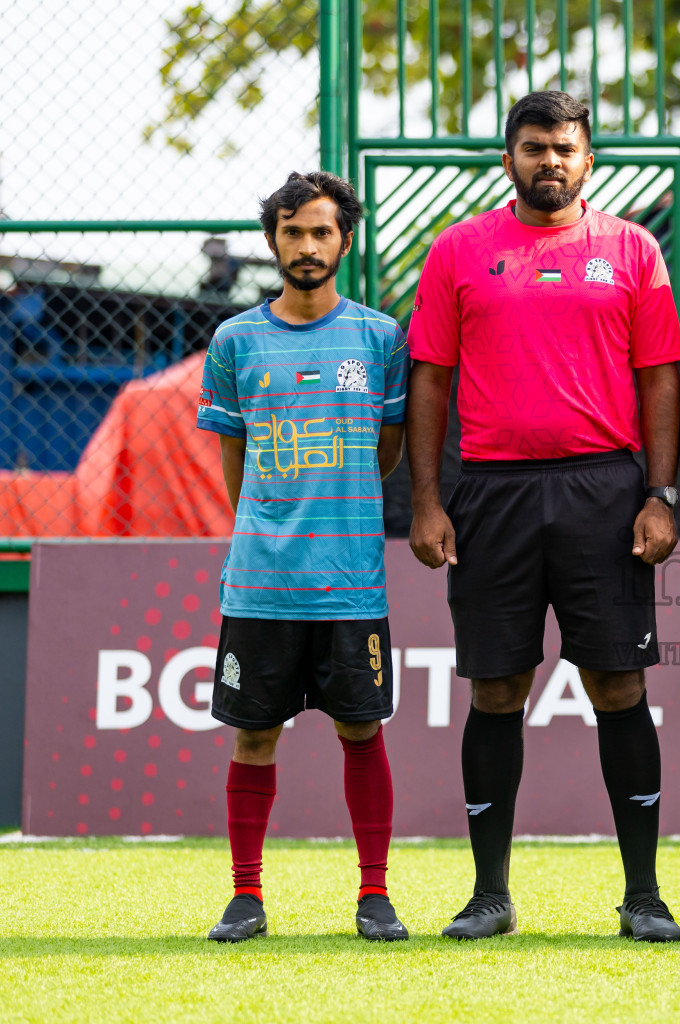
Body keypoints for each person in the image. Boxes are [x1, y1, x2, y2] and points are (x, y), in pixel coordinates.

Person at [406, 91, 680, 942]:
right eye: (534, 148)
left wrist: (661, 495)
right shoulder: (457, 251)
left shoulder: (632, 250)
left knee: (618, 685)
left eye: (565, 149)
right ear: (509, 160)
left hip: (606, 491)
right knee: (497, 689)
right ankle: (490, 892)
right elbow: (429, 379)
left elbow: (662, 380)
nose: (550, 162)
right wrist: (426, 498)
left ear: (588, 160)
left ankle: (643, 894)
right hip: (491, 492)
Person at [197, 171, 408, 943]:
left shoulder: (379, 338)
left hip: (350, 585)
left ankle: (375, 895)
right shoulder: (234, 341)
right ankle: (246, 896)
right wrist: (275, 521)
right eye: (293, 231)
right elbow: (235, 464)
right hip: (261, 585)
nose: (308, 245)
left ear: (344, 241)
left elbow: (386, 453)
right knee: (253, 737)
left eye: (321, 231)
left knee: (362, 731)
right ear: (273, 241)